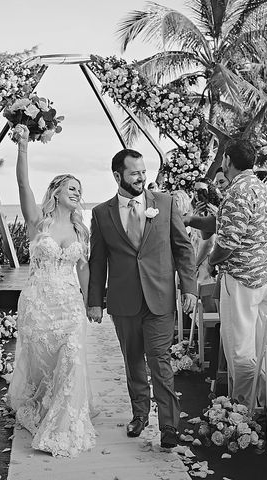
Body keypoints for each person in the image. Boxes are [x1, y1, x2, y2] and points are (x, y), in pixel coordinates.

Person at [88, 148, 197, 449]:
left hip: (160, 297)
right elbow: (97, 261)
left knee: (160, 361)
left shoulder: (165, 203)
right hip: (123, 301)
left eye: (143, 171)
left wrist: (189, 287)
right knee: (133, 361)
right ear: (117, 175)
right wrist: (94, 300)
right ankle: (139, 414)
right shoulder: (101, 213)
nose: (141, 177)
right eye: (134, 172)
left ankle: (169, 426)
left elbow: (183, 248)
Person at [7, 124, 96, 457]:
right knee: (41, 363)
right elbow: (22, 183)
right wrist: (23, 146)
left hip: (69, 305)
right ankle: (41, 406)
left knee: (72, 355)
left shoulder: (80, 230)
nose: (76, 192)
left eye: (79, 189)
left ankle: (63, 423)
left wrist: (91, 303)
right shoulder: (37, 223)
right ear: (56, 191)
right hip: (38, 303)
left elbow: (83, 268)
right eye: (71, 187)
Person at [208, 139, 267, 408]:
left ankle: (242, 411)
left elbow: (227, 243)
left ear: (227, 160)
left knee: (240, 348)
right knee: (265, 344)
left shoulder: (236, 191)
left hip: (243, 280)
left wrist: (210, 262)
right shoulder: (261, 188)